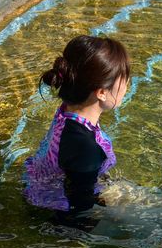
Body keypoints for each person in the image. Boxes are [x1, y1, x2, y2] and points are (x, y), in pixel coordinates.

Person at [21, 34, 130, 230]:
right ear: (102, 92)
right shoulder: (85, 147)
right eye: (123, 79)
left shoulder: (68, 110)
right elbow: (81, 204)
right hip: (58, 209)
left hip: (41, 187)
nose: (127, 85)